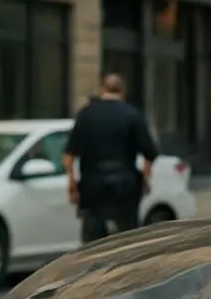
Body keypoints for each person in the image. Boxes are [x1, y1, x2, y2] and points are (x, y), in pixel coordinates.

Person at [63, 74, 159, 243]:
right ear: (123, 91)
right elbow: (150, 153)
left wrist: (71, 184)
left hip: (93, 185)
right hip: (124, 185)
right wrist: (144, 176)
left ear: (102, 90)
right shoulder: (132, 115)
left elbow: (69, 154)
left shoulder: (86, 115)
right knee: (127, 238)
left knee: (92, 240)